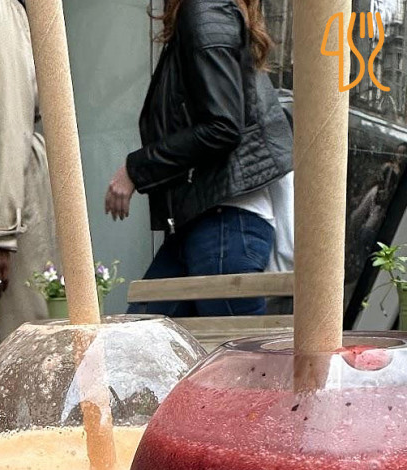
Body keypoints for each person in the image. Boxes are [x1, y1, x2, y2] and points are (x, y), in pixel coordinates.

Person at [105, 0, 293, 317]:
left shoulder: (206, 10)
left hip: (224, 224)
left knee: (237, 349)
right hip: (206, 220)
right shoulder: (210, 11)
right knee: (142, 336)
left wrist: (135, 170)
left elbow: (222, 127)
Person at [0, 0, 58, 342]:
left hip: (11, 189)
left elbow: (6, 121)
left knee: (21, 341)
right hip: (5, 189)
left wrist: (1, 232)